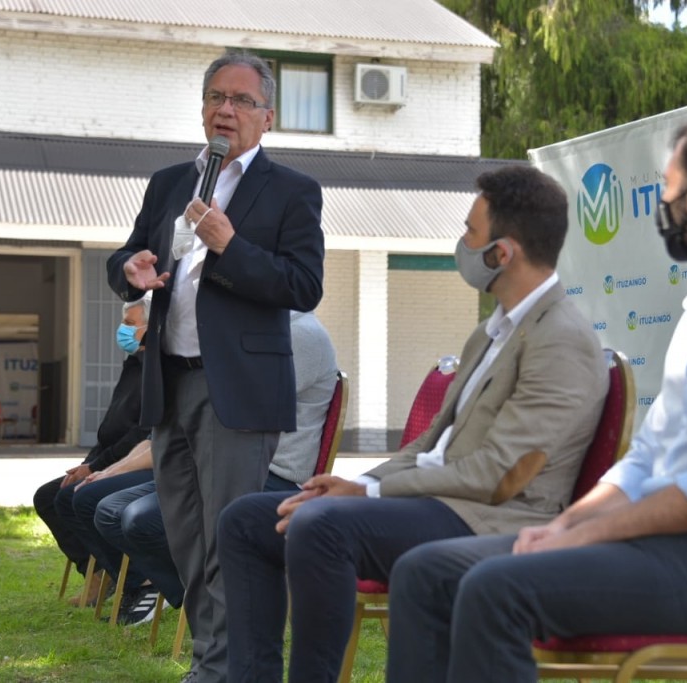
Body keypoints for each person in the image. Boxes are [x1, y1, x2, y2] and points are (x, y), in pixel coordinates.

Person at [384, 109, 687, 683]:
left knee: (497, 590)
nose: (661, 205)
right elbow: (647, 460)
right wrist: (567, 526)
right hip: (667, 545)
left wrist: (585, 534)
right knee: (424, 573)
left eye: (668, 189)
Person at [217, 165, 610, 683]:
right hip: (440, 504)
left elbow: (500, 474)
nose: (462, 243)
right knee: (246, 520)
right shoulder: (490, 332)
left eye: (470, 232)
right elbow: (432, 442)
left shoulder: (559, 338)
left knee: (320, 526)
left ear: (502, 253)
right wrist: (359, 482)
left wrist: (368, 494)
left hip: (491, 518)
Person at [105, 50, 324, 683]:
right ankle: (213, 663)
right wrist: (128, 270)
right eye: (215, 98)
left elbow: (303, 285)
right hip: (167, 382)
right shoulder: (169, 182)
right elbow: (128, 254)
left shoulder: (291, 191)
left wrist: (229, 246)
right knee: (186, 541)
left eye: (242, 101)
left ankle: (236, 670)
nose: (226, 110)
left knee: (231, 543)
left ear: (268, 117)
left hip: (238, 389)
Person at [91, 310, 338, 629]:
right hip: (220, 463)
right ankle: (206, 596)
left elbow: (242, 406)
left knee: (141, 520)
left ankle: (219, 603)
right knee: (110, 511)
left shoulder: (301, 334)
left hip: (271, 474)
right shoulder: (258, 328)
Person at [32, 296, 152, 604]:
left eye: (130, 323)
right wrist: (88, 464)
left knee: (73, 498)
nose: (122, 329)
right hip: (106, 458)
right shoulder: (133, 365)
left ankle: (132, 580)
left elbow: (142, 434)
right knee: (48, 496)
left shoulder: (155, 370)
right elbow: (111, 428)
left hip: (133, 462)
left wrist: (98, 467)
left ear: (151, 328)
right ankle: (97, 572)